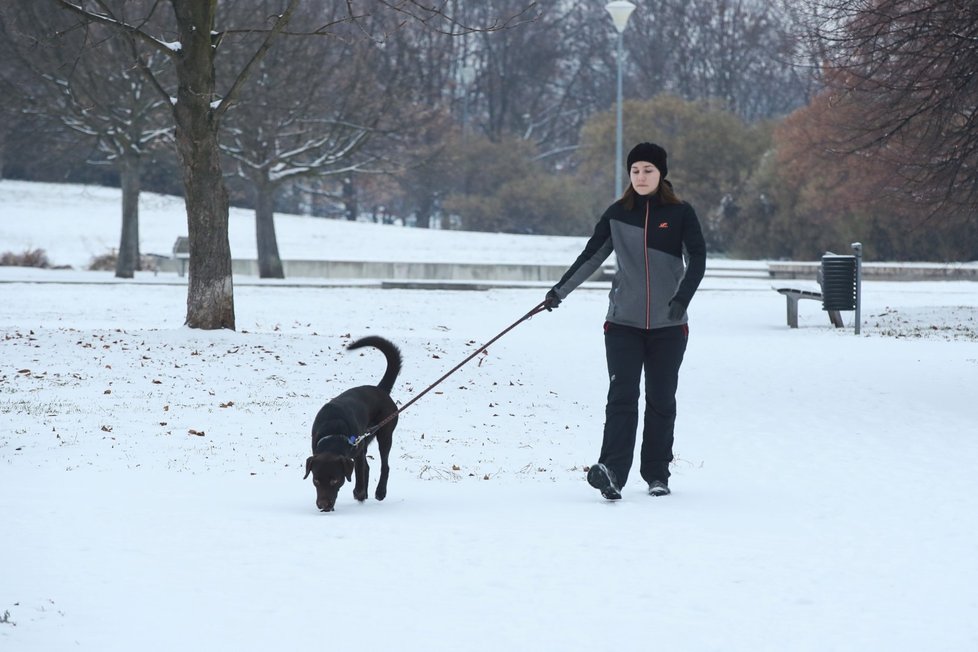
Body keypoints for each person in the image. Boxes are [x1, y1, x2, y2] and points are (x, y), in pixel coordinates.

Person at [543, 142, 706, 500]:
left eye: (648, 170)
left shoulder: (680, 213)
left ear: (661, 173)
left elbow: (698, 258)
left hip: (669, 326)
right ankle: (612, 471)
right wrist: (559, 291)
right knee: (622, 396)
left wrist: (682, 299)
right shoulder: (618, 213)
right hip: (622, 324)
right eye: (635, 171)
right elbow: (592, 256)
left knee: (661, 399)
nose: (641, 176)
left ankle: (656, 474)